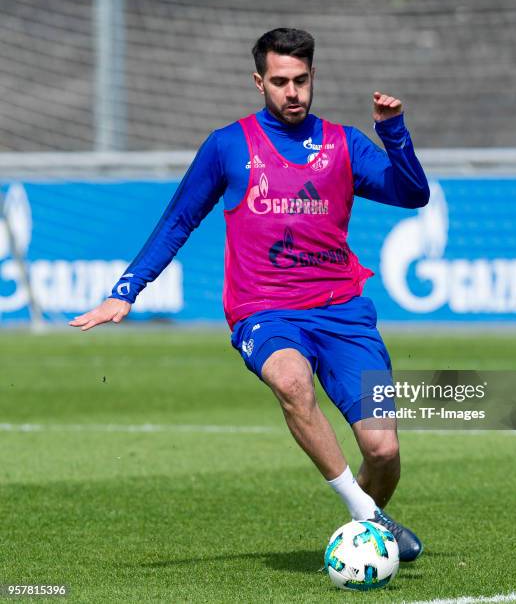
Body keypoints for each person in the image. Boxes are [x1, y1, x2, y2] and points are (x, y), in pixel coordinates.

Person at [70, 28, 429, 562]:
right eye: (280, 81)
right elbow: (177, 222)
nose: (292, 92)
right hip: (264, 310)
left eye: (301, 81)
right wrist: (127, 291)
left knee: (384, 449)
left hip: (344, 313)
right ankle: (368, 519)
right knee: (290, 380)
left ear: (313, 79)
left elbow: (412, 193)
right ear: (258, 81)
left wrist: (392, 131)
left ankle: (365, 533)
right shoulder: (227, 145)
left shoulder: (344, 143)